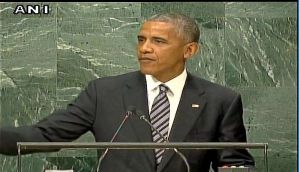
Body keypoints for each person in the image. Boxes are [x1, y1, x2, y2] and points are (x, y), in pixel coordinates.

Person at [0, 12, 255, 172]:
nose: (144, 48)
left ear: (189, 51)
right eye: (141, 39)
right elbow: (43, 136)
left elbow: (234, 162)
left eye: (158, 41)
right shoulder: (104, 92)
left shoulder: (220, 100)